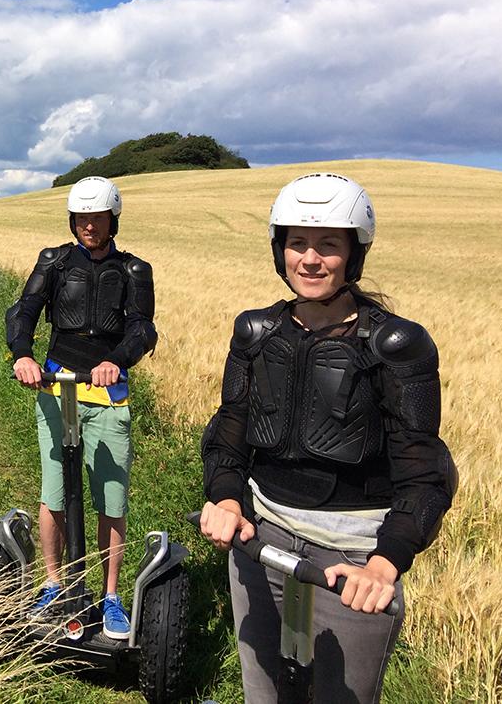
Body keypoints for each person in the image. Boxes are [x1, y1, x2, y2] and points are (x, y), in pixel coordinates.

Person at [199, 173, 457, 703]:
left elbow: (425, 470)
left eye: (328, 245)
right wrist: (225, 496)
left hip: (352, 563)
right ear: (280, 251)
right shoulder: (255, 332)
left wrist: (385, 564)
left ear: (353, 256)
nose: (310, 259)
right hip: (260, 543)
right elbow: (228, 433)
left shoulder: (395, 344)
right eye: (297, 243)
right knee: (262, 695)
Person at [6, 176, 157, 639]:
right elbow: (24, 309)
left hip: (107, 394)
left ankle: (110, 596)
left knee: (110, 498)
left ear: (113, 220)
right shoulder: (53, 262)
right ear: (72, 220)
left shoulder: (134, 270)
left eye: (98, 218)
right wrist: (23, 355)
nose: (90, 226)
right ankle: (54, 584)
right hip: (58, 387)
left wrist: (117, 360)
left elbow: (143, 329)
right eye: (82, 218)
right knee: (54, 494)